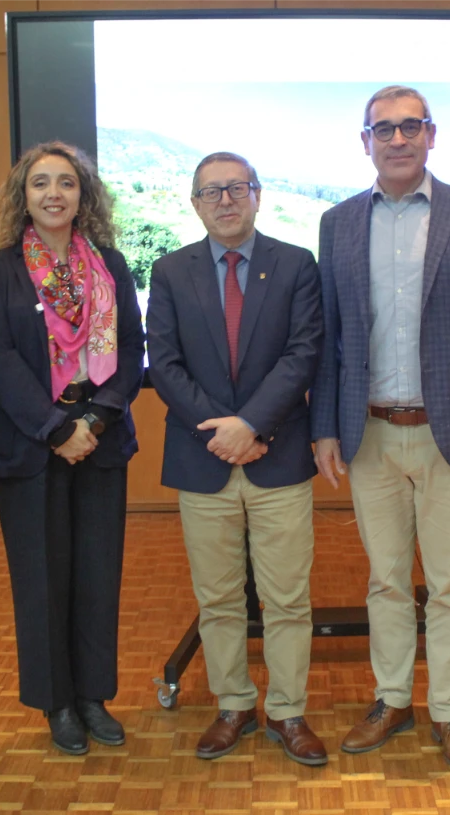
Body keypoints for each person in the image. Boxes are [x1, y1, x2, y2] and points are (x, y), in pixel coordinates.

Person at [310, 86, 450, 773]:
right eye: (384, 129)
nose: (397, 139)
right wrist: (325, 428)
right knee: (386, 580)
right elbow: (332, 340)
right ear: (364, 140)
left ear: (432, 134)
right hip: (369, 432)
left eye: (411, 127)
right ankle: (392, 697)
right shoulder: (338, 222)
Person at [147, 152, 325, 766]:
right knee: (218, 597)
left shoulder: (297, 265)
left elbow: (303, 353)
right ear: (195, 203)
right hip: (204, 462)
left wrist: (251, 424)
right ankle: (233, 704)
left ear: (257, 195)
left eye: (237, 188)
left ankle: (288, 710)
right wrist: (220, 434)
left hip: (276, 457)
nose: (225, 200)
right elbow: (164, 365)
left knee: (286, 598)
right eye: (211, 192)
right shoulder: (169, 272)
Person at [0, 142, 144, 756]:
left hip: (98, 439)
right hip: (30, 443)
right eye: (40, 183)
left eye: (66, 183)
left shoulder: (112, 265)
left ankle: (94, 695)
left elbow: (131, 349)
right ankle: (56, 703)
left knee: (98, 575)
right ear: (23, 196)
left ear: (83, 195)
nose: (54, 193)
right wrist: (55, 429)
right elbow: (1, 360)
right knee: (43, 578)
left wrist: (94, 421)